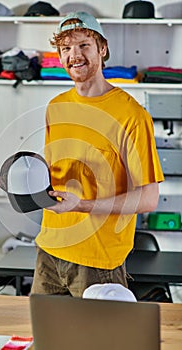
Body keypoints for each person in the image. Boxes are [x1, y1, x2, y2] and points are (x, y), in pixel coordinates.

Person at [31, 12, 164, 297]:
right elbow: (56, 178)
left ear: (102, 49)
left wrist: (82, 205)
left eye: (83, 45)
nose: (74, 55)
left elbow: (148, 198)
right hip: (49, 253)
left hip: (98, 262)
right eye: (65, 48)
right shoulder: (56, 106)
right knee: (45, 339)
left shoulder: (131, 115)